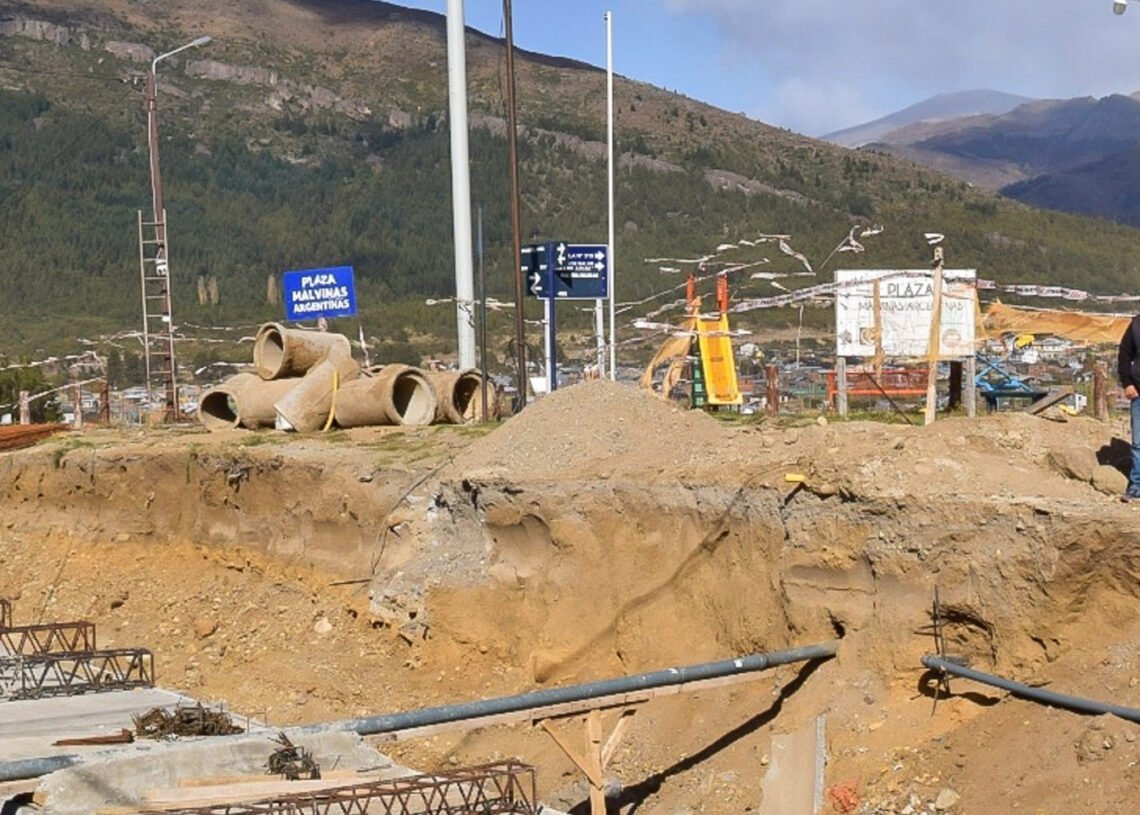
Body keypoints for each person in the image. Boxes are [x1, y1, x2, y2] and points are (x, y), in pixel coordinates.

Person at [1117, 315, 1140, 500]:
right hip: (1139, 392)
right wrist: (1127, 383)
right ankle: (1136, 485)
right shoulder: (1136, 325)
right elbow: (1124, 355)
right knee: (1138, 443)